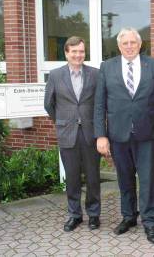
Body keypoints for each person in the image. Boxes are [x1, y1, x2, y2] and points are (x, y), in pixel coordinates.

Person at [93, 27, 154, 244]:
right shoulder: (107, 67)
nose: (129, 46)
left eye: (133, 42)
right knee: (125, 179)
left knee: (147, 180)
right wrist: (101, 135)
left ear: (140, 44)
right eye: (125, 43)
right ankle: (128, 216)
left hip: (147, 134)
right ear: (119, 46)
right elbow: (99, 104)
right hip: (118, 134)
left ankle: (150, 222)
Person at [44, 36, 101, 232]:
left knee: (93, 177)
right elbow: (48, 104)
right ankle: (74, 215)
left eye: (81, 51)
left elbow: (100, 104)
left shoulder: (95, 74)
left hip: (90, 132)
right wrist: (62, 120)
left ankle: (94, 214)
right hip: (67, 133)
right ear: (66, 53)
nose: (78, 55)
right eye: (74, 51)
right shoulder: (55, 75)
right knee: (72, 177)